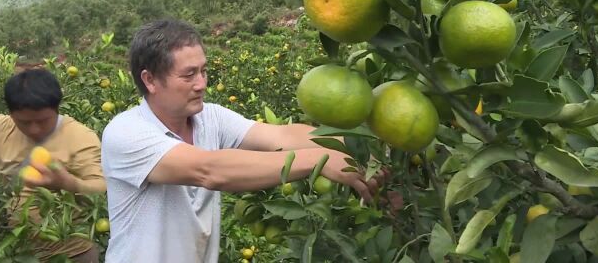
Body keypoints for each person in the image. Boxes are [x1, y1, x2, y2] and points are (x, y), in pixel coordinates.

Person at [101, 19, 386, 263]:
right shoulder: (125, 132)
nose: (202, 84)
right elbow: (209, 170)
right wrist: (319, 160)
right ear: (150, 80)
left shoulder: (210, 118)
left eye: (203, 71)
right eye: (188, 75)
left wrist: (363, 150)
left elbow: (283, 136)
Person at [0, 68, 106, 262]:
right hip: (19, 252)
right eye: (24, 122)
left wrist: (68, 184)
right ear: (10, 114)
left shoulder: (81, 137)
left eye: (43, 121)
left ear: (57, 108)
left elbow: (101, 189)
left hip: (72, 253)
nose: (34, 129)